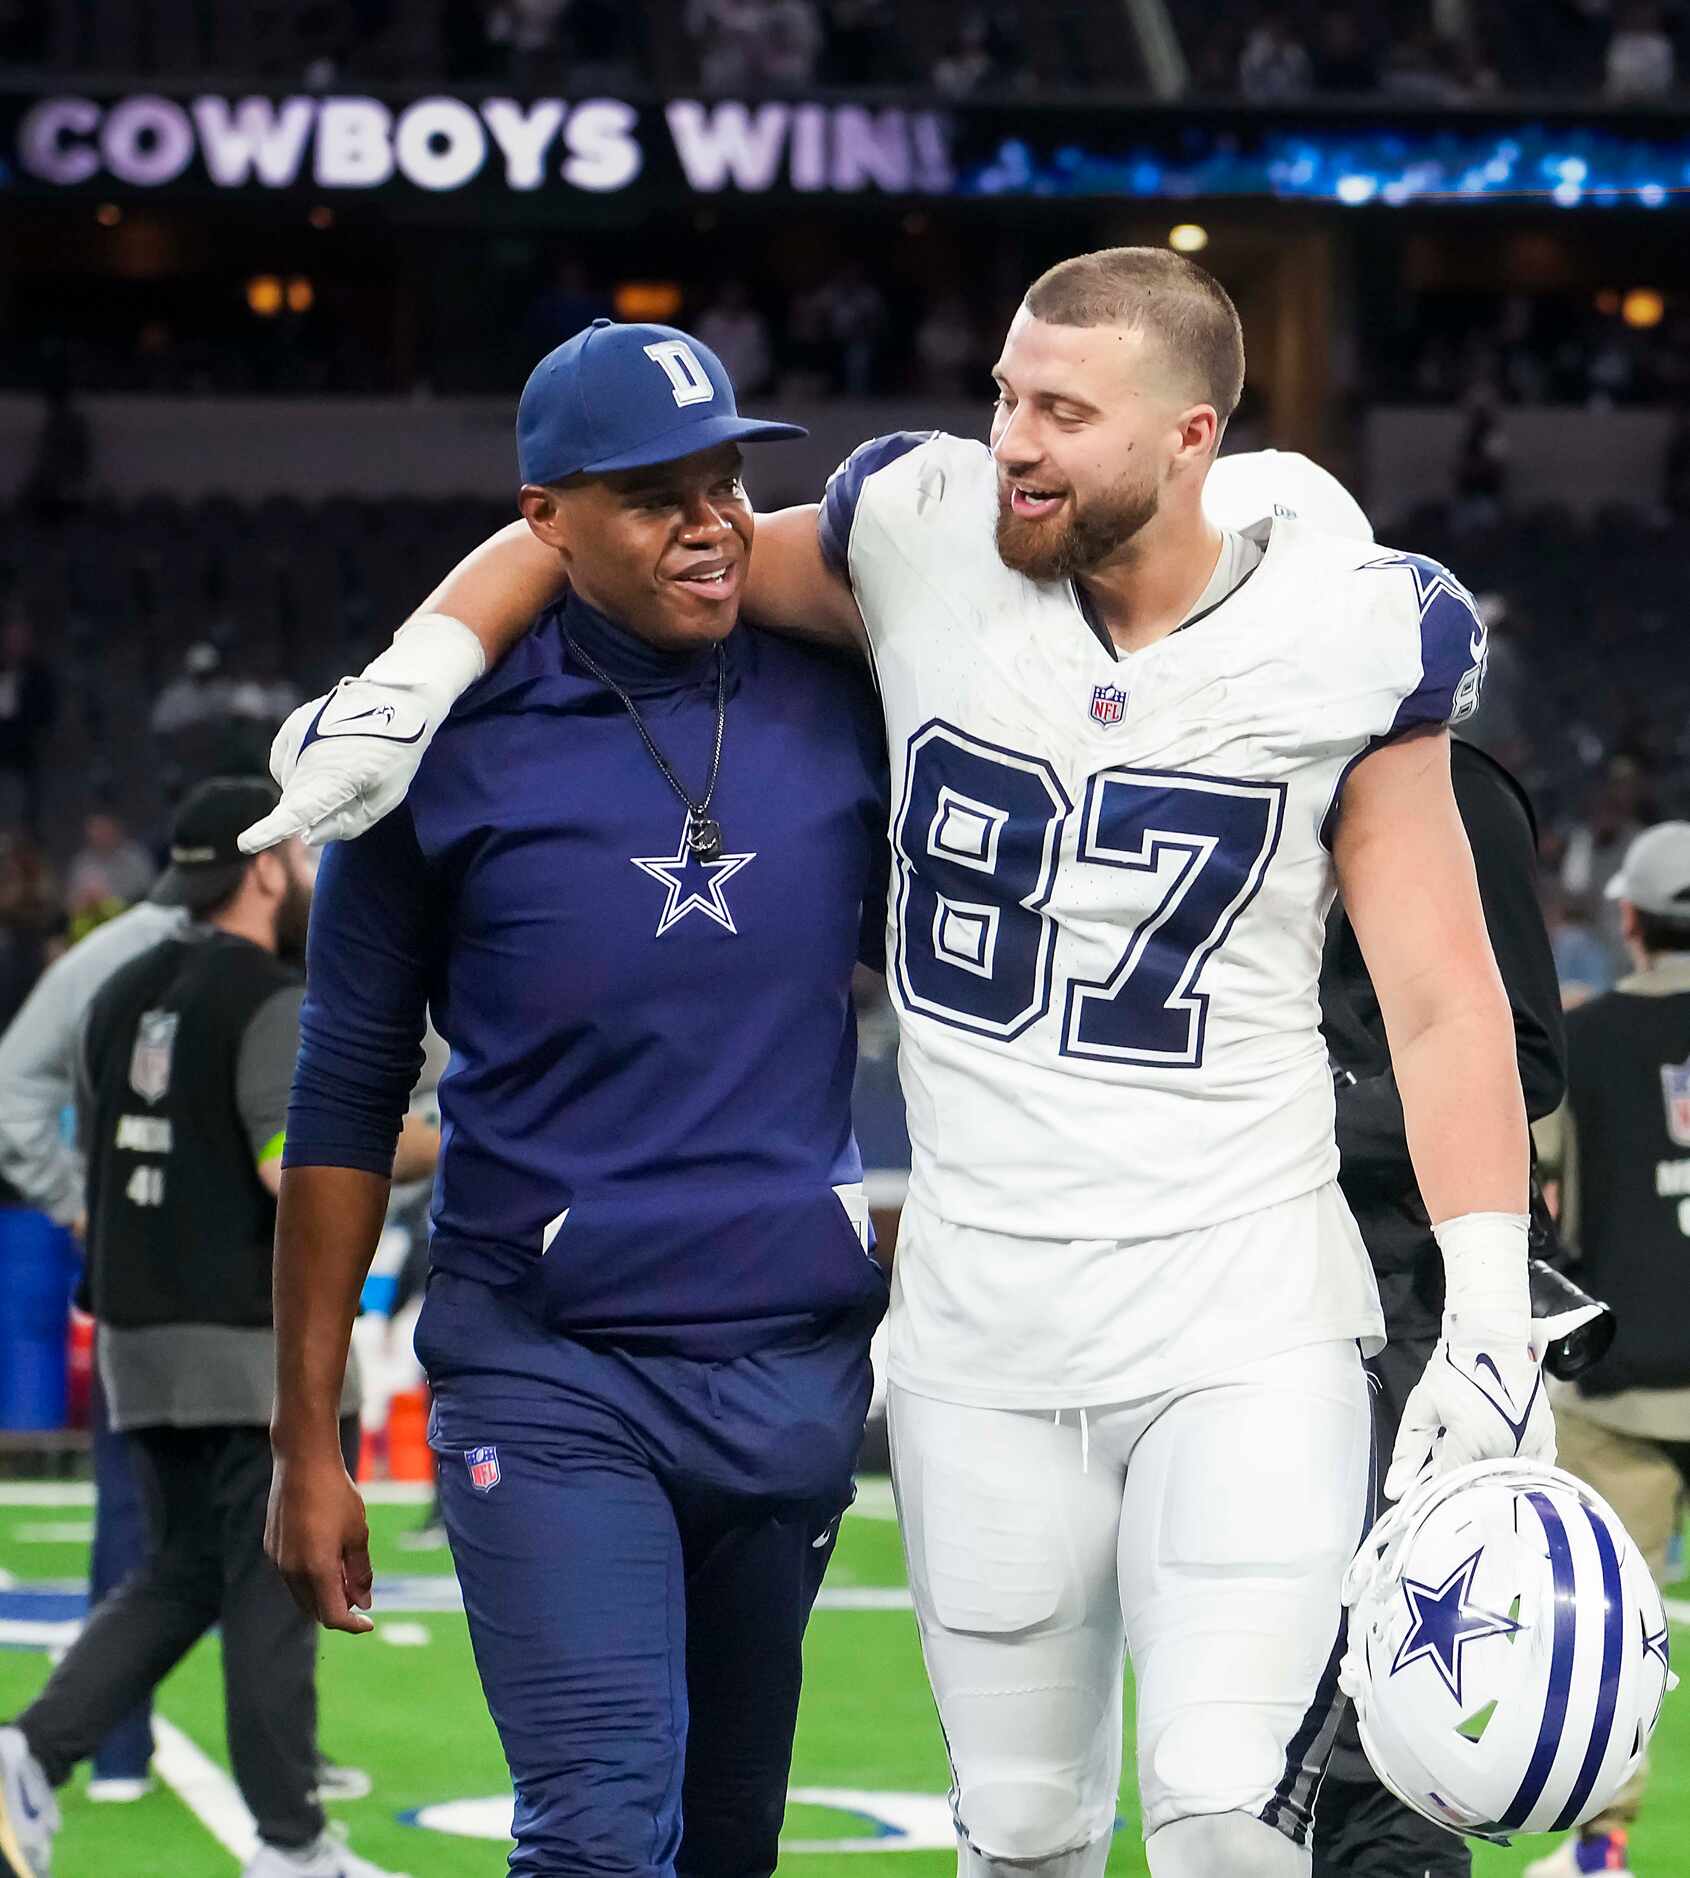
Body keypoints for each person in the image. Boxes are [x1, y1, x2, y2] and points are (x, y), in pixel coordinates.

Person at [247, 253, 1553, 1878]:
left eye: (1062, 409)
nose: (1010, 436)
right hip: (889, 1329)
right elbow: (579, 549)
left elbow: (1445, 995)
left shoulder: (1337, 623)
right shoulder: (916, 539)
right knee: (954, 1828)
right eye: (1005, 392)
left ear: (1193, 433)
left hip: (1172, 1314)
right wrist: (424, 665)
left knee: (1211, 1806)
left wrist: (1493, 1303)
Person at [262, 322, 890, 1878]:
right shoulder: (436, 752)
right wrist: (306, 1435)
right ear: (543, 521)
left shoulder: (854, 691)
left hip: (790, 1373)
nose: (710, 521)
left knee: (727, 1843)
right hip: (549, 1374)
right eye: (651, 495)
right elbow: (343, 1095)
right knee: (604, 1835)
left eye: (727, 480)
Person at [0, 777, 433, 1878]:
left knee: (181, 1572)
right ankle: (292, 1844)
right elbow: (294, 1168)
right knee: (277, 1597)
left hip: (143, 1340)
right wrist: (460, 1137)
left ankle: (30, 1753)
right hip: (246, 1347)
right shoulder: (270, 998)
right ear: (265, 866)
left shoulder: (118, 988)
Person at [0, 891, 188, 1806]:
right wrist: (76, 1200)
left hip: (247, 1272)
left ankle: (285, 1786)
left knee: (260, 1523)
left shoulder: (113, 957)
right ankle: (103, 1745)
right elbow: (14, 1082)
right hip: (182, 1274)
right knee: (154, 1516)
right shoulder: (128, 956)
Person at [1528, 821, 1690, 1878]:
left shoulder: (1582, 1042)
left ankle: (1604, 1851)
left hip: (1620, 1383)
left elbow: (1522, 1176)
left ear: (1627, 918)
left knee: (1611, 1632)